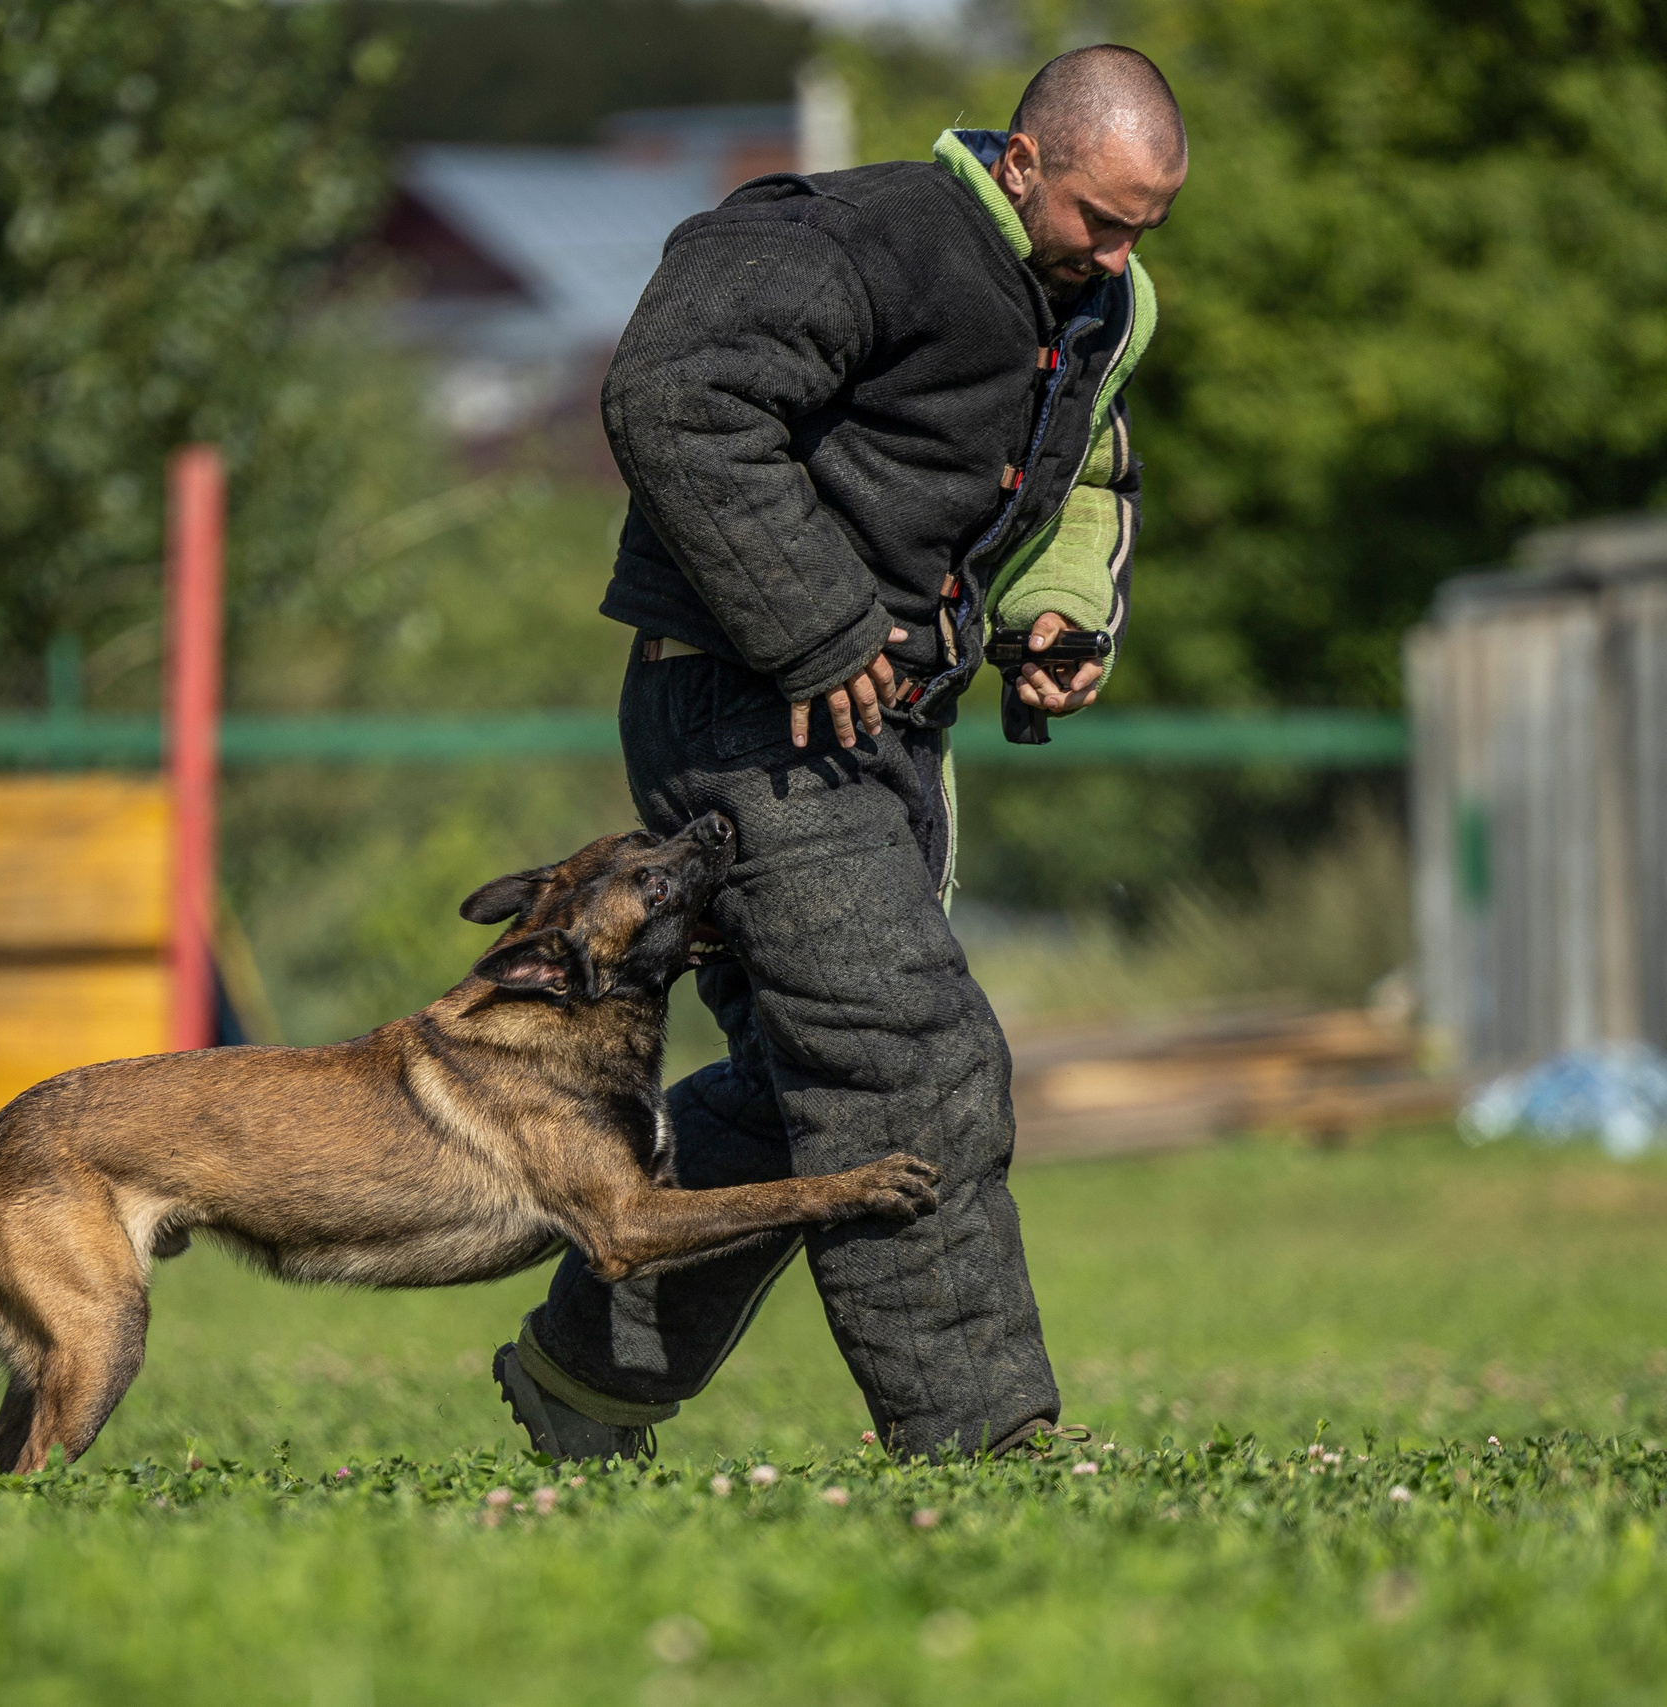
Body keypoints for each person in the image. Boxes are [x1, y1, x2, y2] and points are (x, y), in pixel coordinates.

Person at [491, 46, 1188, 1460]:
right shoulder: (854, 240)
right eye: (1097, 219)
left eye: (1143, 229)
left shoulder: (1096, 305)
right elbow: (677, 397)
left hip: (879, 730)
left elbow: (1087, 469)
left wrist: (1049, 615)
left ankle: (584, 1385)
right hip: (749, 709)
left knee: (803, 1079)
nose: (1115, 253)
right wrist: (818, 629)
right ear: (1023, 162)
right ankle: (979, 1441)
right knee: (908, 1056)